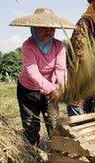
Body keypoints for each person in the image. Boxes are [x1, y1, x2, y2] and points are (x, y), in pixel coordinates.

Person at [9, 8, 75, 145]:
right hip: (28, 91)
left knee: (54, 123)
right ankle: (33, 153)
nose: (49, 31)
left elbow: (60, 68)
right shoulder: (28, 45)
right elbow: (32, 72)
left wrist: (61, 85)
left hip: (50, 90)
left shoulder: (59, 46)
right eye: (44, 27)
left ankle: (57, 154)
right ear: (34, 27)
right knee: (31, 125)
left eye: (52, 28)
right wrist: (51, 89)